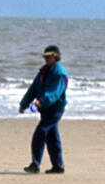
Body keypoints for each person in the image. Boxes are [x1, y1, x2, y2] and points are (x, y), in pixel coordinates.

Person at [18, 45, 68, 174]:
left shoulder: (60, 73)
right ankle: (58, 166)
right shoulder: (43, 72)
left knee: (40, 133)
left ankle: (35, 164)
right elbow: (33, 89)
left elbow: (55, 93)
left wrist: (41, 102)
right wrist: (24, 104)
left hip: (55, 109)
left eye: (48, 56)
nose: (46, 59)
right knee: (52, 137)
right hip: (45, 110)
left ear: (55, 57)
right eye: (45, 57)